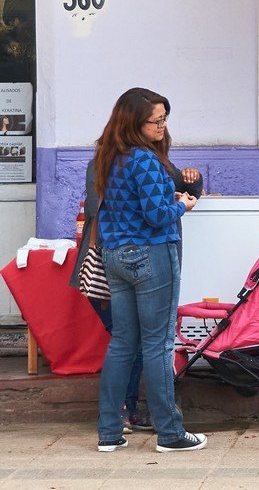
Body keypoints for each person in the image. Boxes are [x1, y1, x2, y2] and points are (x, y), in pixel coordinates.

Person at [92, 87, 206, 452]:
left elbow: (126, 206)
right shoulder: (144, 159)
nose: (162, 126)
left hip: (115, 256)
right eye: (155, 121)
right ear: (133, 123)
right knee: (158, 345)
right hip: (151, 255)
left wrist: (169, 199)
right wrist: (184, 204)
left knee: (123, 343)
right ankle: (170, 433)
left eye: (164, 119)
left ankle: (109, 432)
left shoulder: (110, 156)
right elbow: (157, 216)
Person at [69, 157, 203, 433]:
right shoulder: (109, 163)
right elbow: (104, 207)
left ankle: (120, 418)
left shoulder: (158, 162)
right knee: (134, 343)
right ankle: (132, 417)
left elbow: (185, 188)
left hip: (130, 262)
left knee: (133, 342)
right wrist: (173, 204)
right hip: (118, 264)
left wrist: (194, 179)